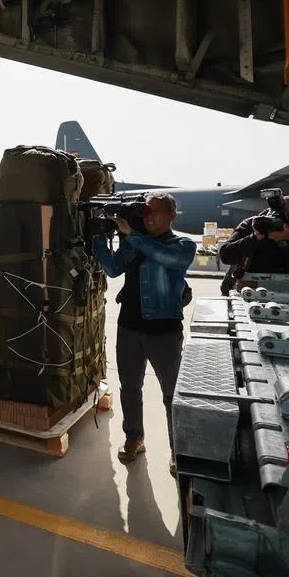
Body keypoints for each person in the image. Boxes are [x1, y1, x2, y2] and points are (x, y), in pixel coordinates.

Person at [91, 193, 196, 474]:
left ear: (172, 215)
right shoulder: (135, 241)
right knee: (130, 388)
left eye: (156, 213)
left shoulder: (182, 244)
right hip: (129, 328)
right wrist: (100, 236)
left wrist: (132, 236)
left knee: (171, 395)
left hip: (164, 331)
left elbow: (168, 259)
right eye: (145, 213)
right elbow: (113, 269)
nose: (149, 217)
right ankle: (134, 438)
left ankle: (179, 450)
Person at [218, 194, 289, 292]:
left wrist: (286, 243)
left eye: (284, 214)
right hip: (239, 295)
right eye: (273, 212)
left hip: (282, 302)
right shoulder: (253, 225)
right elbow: (226, 256)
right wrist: (255, 238)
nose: (275, 218)